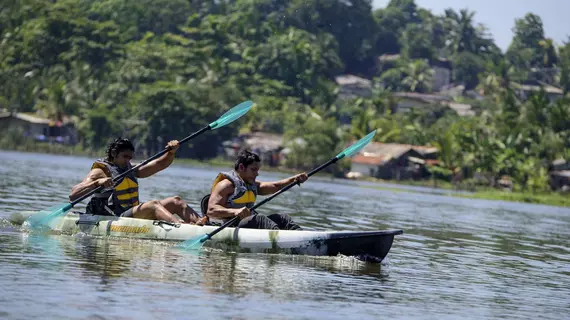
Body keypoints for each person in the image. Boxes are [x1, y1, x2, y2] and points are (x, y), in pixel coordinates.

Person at [69, 137, 201, 224]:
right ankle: (179, 227)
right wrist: (98, 183)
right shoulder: (99, 171)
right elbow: (73, 194)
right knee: (153, 204)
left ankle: (201, 224)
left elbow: (160, 164)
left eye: (130, 157)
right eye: (125, 156)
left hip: (132, 213)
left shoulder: (130, 168)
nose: (128, 161)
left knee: (175, 201)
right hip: (115, 217)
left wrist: (171, 152)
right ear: (114, 154)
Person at [205, 150, 308, 230]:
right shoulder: (225, 185)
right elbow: (211, 211)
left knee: (282, 218)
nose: (257, 174)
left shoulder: (253, 185)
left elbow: (276, 186)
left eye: (257, 170)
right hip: (230, 226)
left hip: (248, 224)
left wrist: (293, 179)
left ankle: (302, 237)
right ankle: (278, 238)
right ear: (242, 167)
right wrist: (235, 211)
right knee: (260, 219)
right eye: (253, 170)